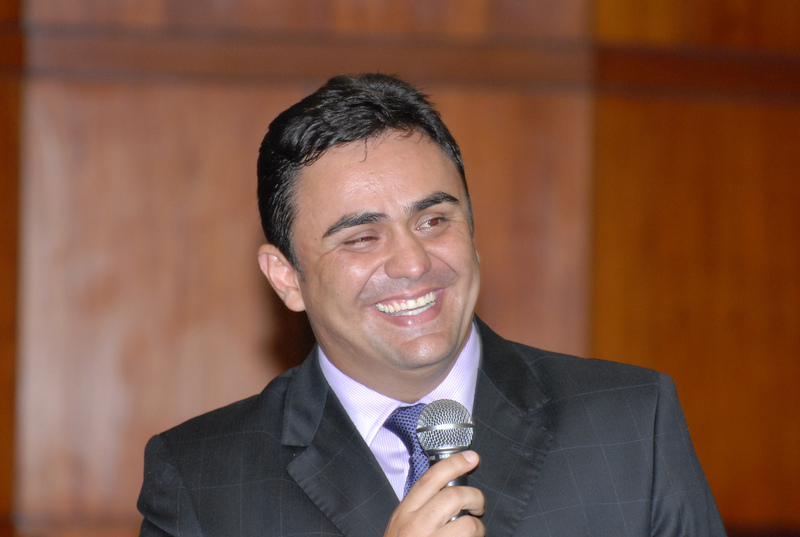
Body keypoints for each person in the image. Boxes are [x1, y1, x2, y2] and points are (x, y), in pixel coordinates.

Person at [137, 73, 726, 536]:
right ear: (287, 278)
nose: (413, 263)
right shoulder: (200, 478)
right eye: (362, 238)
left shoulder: (631, 424)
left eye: (433, 220)